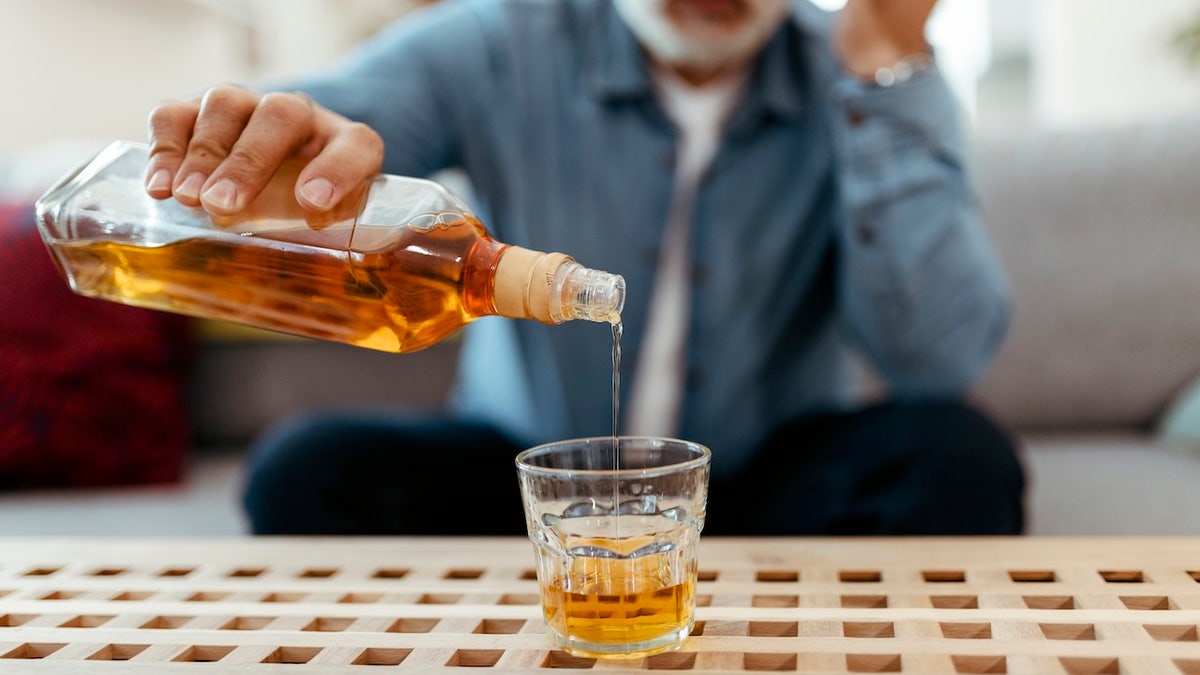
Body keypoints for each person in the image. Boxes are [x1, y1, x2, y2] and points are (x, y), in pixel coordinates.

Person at [145, 0, 1025, 536]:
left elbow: (940, 362)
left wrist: (879, 69)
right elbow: (340, 127)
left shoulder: (867, 72)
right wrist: (292, 151)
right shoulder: (497, 41)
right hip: (525, 482)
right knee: (306, 465)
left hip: (762, 486)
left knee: (960, 456)